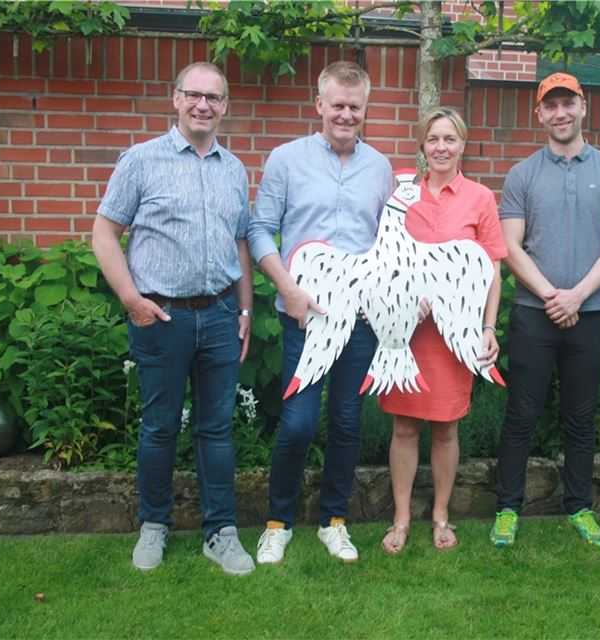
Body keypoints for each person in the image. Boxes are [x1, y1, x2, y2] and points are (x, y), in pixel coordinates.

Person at [92, 61, 255, 575]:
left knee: (216, 429)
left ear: (225, 106)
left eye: (214, 97)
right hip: (161, 316)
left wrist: (246, 308)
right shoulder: (141, 161)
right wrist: (131, 299)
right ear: (176, 98)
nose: (203, 105)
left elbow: (240, 242)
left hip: (221, 314)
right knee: (160, 427)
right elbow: (104, 233)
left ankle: (220, 532)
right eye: (194, 95)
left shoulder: (234, 169)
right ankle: (154, 525)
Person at [247, 61, 393, 564]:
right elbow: (259, 229)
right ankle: (278, 523)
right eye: (337, 106)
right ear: (319, 106)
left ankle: (334, 520)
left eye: (355, 107)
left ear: (365, 109)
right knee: (298, 423)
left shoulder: (380, 168)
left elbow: (387, 242)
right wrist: (287, 288)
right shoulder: (286, 160)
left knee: (347, 421)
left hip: (360, 320)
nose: (346, 115)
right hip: (303, 316)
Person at [491, 72, 600, 549]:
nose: (560, 113)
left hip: (589, 314)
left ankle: (579, 507)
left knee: (581, 416)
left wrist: (577, 297)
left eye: (567, 103)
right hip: (533, 314)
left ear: (582, 106)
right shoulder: (522, 174)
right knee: (522, 413)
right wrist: (553, 295)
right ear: (539, 114)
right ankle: (508, 507)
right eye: (550, 105)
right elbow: (510, 247)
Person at [377, 107, 506, 554]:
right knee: (404, 427)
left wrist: (488, 326)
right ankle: (400, 518)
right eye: (433, 139)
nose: (441, 147)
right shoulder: (403, 198)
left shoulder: (480, 198)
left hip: (455, 337)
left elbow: (492, 270)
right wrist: (404, 297)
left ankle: (441, 515)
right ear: (422, 144)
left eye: (450, 139)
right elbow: (387, 260)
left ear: (462, 144)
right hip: (408, 333)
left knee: (447, 428)